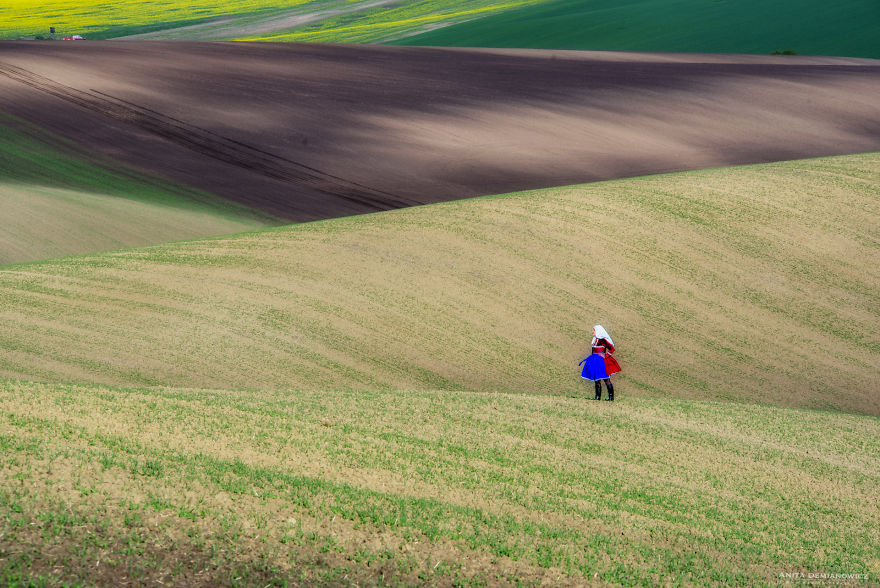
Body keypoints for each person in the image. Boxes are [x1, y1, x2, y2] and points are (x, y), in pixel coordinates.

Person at [578, 325, 621, 401]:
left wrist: (606, 355)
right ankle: (597, 397)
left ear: (598, 331)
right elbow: (593, 351)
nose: (592, 332)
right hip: (594, 361)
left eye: (593, 330)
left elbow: (612, 348)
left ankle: (611, 398)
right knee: (596, 379)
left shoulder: (602, 340)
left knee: (606, 379)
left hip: (601, 362)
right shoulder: (595, 340)